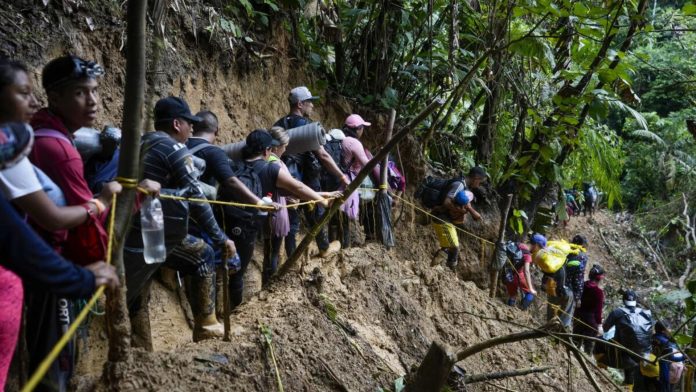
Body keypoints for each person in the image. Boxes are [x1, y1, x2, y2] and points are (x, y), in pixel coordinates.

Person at [0, 122, 119, 390]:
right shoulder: (53, 149)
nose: (31, 100)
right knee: (53, 360)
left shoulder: (25, 144)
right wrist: (80, 278)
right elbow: (47, 221)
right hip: (47, 271)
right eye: (22, 92)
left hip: (40, 272)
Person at [124, 96, 236, 342]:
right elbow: (196, 197)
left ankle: (140, 348)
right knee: (203, 254)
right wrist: (220, 238)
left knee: (139, 291)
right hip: (155, 231)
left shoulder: (142, 142)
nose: (192, 128)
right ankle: (206, 323)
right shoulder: (173, 148)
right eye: (189, 123)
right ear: (177, 124)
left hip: (132, 229)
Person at [216, 129, 334, 305]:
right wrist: (321, 202)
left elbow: (290, 191)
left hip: (223, 220)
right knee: (238, 273)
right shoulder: (270, 168)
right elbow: (297, 188)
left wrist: (323, 193)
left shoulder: (235, 165)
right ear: (266, 150)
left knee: (221, 267)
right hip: (247, 226)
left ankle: (215, 310)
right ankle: (233, 314)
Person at [274, 86, 348, 258]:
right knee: (313, 212)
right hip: (301, 177)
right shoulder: (306, 126)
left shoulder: (278, 124)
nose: (312, 106)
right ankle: (322, 248)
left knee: (289, 219)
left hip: (281, 174)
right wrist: (341, 176)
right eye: (309, 103)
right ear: (300, 104)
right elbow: (322, 155)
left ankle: (283, 260)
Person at [430, 167, 485, 269]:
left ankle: (447, 267)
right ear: (476, 178)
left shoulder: (465, 187)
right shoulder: (459, 185)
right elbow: (446, 202)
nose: (479, 185)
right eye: (479, 182)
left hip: (446, 219)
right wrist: (461, 211)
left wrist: (470, 211)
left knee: (452, 247)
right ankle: (443, 268)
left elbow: (468, 207)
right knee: (454, 245)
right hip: (442, 218)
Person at [340, 114, 382, 241]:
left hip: (338, 178)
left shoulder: (341, 139)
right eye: (362, 128)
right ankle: (346, 246)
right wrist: (379, 157)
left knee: (339, 218)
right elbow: (368, 165)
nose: (363, 131)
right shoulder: (355, 143)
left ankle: (341, 242)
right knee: (349, 215)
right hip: (349, 182)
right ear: (358, 129)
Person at [603, 290, 655, 390]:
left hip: (626, 350)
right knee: (641, 374)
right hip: (646, 350)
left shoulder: (617, 312)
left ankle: (628, 382)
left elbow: (605, 328)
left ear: (623, 300)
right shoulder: (646, 313)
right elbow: (651, 330)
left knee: (615, 343)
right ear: (636, 301)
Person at [530, 233, 575, 328]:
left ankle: (557, 330)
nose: (530, 245)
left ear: (538, 245)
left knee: (558, 313)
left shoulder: (546, 258)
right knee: (554, 311)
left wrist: (559, 286)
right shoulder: (543, 256)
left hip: (559, 288)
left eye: (532, 244)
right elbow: (548, 271)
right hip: (554, 288)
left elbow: (555, 270)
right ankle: (553, 329)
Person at [573, 264, 605, 354]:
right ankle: (587, 359)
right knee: (589, 345)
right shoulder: (598, 292)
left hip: (578, 316)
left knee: (575, 341)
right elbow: (598, 311)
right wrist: (599, 325)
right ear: (599, 278)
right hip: (590, 322)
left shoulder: (582, 285)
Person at [652, 321, 685, 392]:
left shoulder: (653, 337)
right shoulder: (666, 343)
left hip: (652, 365)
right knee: (664, 388)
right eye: (669, 328)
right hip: (663, 368)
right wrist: (684, 357)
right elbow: (672, 358)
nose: (670, 330)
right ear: (664, 330)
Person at [502, 242, 536, 309]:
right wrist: (531, 288)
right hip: (518, 275)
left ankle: (510, 309)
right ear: (536, 245)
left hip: (507, 275)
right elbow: (526, 271)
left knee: (512, 295)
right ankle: (522, 310)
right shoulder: (527, 254)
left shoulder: (518, 244)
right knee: (531, 293)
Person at [566, 234, 589, 303]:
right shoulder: (582, 256)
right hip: (568, 290)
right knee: (564, 313)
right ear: (583, 244)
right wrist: (578, 296)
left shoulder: (565, 250)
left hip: (555, 286)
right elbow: (578, 277)